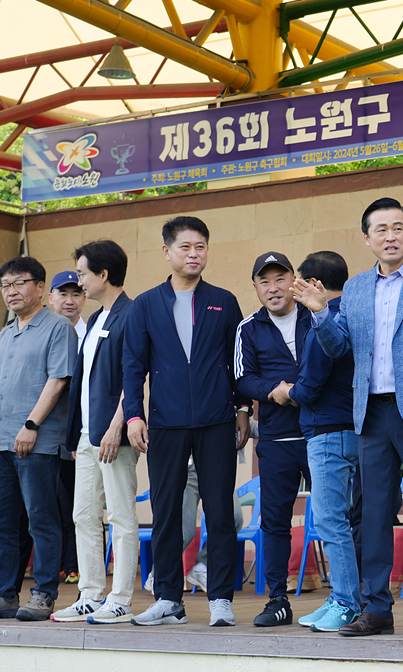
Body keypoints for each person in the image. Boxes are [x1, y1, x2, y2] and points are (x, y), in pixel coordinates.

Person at [292, 198, 403, 640]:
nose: (390, 236)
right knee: (371, 517)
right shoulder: (353, 288)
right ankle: (377, 609)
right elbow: (337, 347)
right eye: (381, 230)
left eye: (397, 228)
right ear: (366, 238)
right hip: (370, 414)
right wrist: (319, 312)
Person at [123, 216, 251, 627]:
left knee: (218, 511)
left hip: (216, 420)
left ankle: (221, 600)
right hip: (164, 422)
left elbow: (238, 363)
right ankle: (167, 599)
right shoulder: (145, 304)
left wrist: (243, 409)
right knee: (165, 512)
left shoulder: (224, 300)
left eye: (201, 246)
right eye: (186, 247)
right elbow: (133, 366)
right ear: (167, 251)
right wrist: (133, 415)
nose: (194, 254)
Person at [0, 257, 76, 621]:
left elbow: (58, 380)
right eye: (5, 285)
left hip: (36, 442)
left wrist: (32, 425)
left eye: (19, 283)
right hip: (0, 441)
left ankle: (43, 594)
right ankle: (3, 593)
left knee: (41, 519)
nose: (11, 291)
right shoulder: (5, 334)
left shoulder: (57, 328)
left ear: (40, 288)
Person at [53, 241, 140, 625]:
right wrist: (77, 438)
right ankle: (90, 594)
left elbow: (136, 377)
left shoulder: (131, 314)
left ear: (104, 275)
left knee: (121, 516)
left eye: (84, 274)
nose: (79, 281)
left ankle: (120, 598)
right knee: (83, 515)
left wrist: (117, 425)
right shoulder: (95, 320)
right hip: (88, 438)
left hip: (113, 436)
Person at [273, 251, 360, 632]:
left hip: (327, 431)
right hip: (349, 429)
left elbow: (311, 384)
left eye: (298, 282)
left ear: (315, 285)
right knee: (340, 519)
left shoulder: (323, 321)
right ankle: (341, 599)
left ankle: (345, 602)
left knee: (330, 520)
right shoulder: (354, 313)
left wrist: (287, 391)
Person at [234, 252, 313, 627]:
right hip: (279, 437)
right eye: (264, 281)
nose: (273, 287)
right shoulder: (248, 328)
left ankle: (350, 598)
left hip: (322, 433)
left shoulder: (315, 315)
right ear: (256, 287)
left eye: (280, 278)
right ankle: (278, 599)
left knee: (337, 517)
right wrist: (273, 391)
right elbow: (242, 379)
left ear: (293, 280)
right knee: (276, 521)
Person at [49, 270, 86, 586]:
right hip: (45, 437)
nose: (70, 300)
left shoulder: (93, 333)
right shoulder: (44, 334)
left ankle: (75, 566)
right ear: (51, 298)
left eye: (76, 294)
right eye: (63, 294)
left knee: (78, 506)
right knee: (51, 506)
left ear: (84, 298)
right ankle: (54, 566)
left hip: (81, 437)